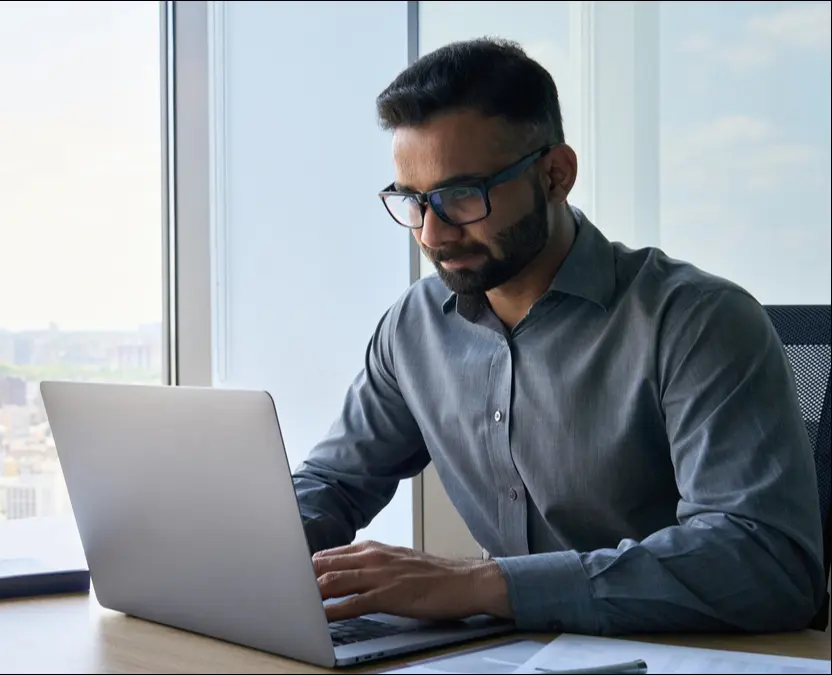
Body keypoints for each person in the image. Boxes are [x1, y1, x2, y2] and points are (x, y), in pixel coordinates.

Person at [292, 37, 825, 637]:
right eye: (412, 201)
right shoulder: (415, 325)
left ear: (555, 175)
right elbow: (334, 484)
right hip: (514, 651)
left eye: (462, 195)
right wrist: (238, 542)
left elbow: (765, 564)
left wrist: (480, 584)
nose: (433, 233)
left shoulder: (699, 321)